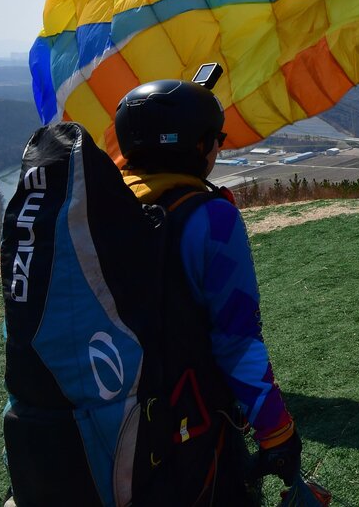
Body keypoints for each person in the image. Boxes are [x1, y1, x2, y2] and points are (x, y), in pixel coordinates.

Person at [115, 73, 304, 505]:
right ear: (198, 146)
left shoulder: (100, 209)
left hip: (104, 423)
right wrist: (276, 430)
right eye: (216, 138)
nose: (219, 147)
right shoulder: (211, 218)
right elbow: (237, 342)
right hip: (185, 430)